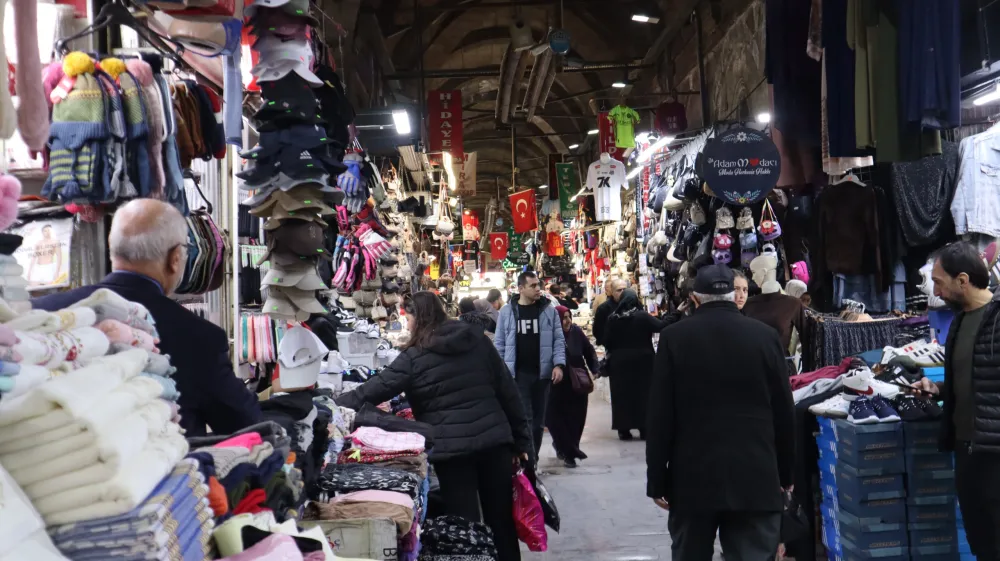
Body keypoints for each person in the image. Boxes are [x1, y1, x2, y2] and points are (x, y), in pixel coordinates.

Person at [32, 199, 262, 437]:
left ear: (113, 248)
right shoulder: (199, 338)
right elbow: (246, 425)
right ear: (175, 259)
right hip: (160, 470)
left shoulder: (45, 313)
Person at [337, 292, 531, 561]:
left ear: (418, 317)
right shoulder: (477, 341)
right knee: (501, 522)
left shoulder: (414, 357)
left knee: (464, 528)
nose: (408, 323)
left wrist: (332, 403)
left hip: (453, 454)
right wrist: (522, 442)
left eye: (409, 317)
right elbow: (509, 393)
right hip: (494, 444)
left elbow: (372, 390)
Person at [646, 265, 795, 561]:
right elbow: (783, 410)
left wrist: (657, 479)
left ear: (695, 299)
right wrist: (787, 472)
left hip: (692, 478)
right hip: (755, 474)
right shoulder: (765, 337)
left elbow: (660, 414)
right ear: (734, 295)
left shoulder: (674, 338)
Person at [912, 242, 1000, 561]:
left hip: (994, 452)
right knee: (981, 543)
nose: (934, 290)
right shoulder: (960, 321)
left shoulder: (997, 318)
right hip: (967, 450)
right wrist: (937, 390)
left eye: (938, 281)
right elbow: (972, 378)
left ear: (962, 280)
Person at [495, 270, 567, 462]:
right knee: (525, 421)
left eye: (538, 285)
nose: (538, 289)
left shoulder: (548, 310)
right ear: (520, 289)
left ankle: (532, 459)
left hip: (542, 375)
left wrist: (559, 365)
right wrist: (501, 371)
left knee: (538, 424)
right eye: (533, 286)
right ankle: (530, 464)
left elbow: (558, 340)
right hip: (518, 375)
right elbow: (500, 343)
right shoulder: (507, 312)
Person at [603, 288, 667, 440]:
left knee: (621, 396)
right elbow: (661, 326)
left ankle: (623, 429)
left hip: (619, 363)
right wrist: (676, 313)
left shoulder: (613, 318)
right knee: (644, 394)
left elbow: (606, 340)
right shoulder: (642, 316)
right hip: (643, 361)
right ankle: (644, 427)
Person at [546, 305, 599, 468]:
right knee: (556, 419)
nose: (567, 321)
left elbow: (589, 351)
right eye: (563, 317)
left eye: (569, 317)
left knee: (577, 418)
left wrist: (594, 368)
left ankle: (570, 448)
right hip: (557, 384)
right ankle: (567, 450)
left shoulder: (576, 332)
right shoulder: (548, 335)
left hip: (577, 383)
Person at [592, 276, 626, 347]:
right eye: (619, 290)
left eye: (624, 289)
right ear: (612, 292)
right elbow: (597, 330)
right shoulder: (603, 308)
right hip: (613, 348)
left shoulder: (632, 304)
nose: (622, 292)